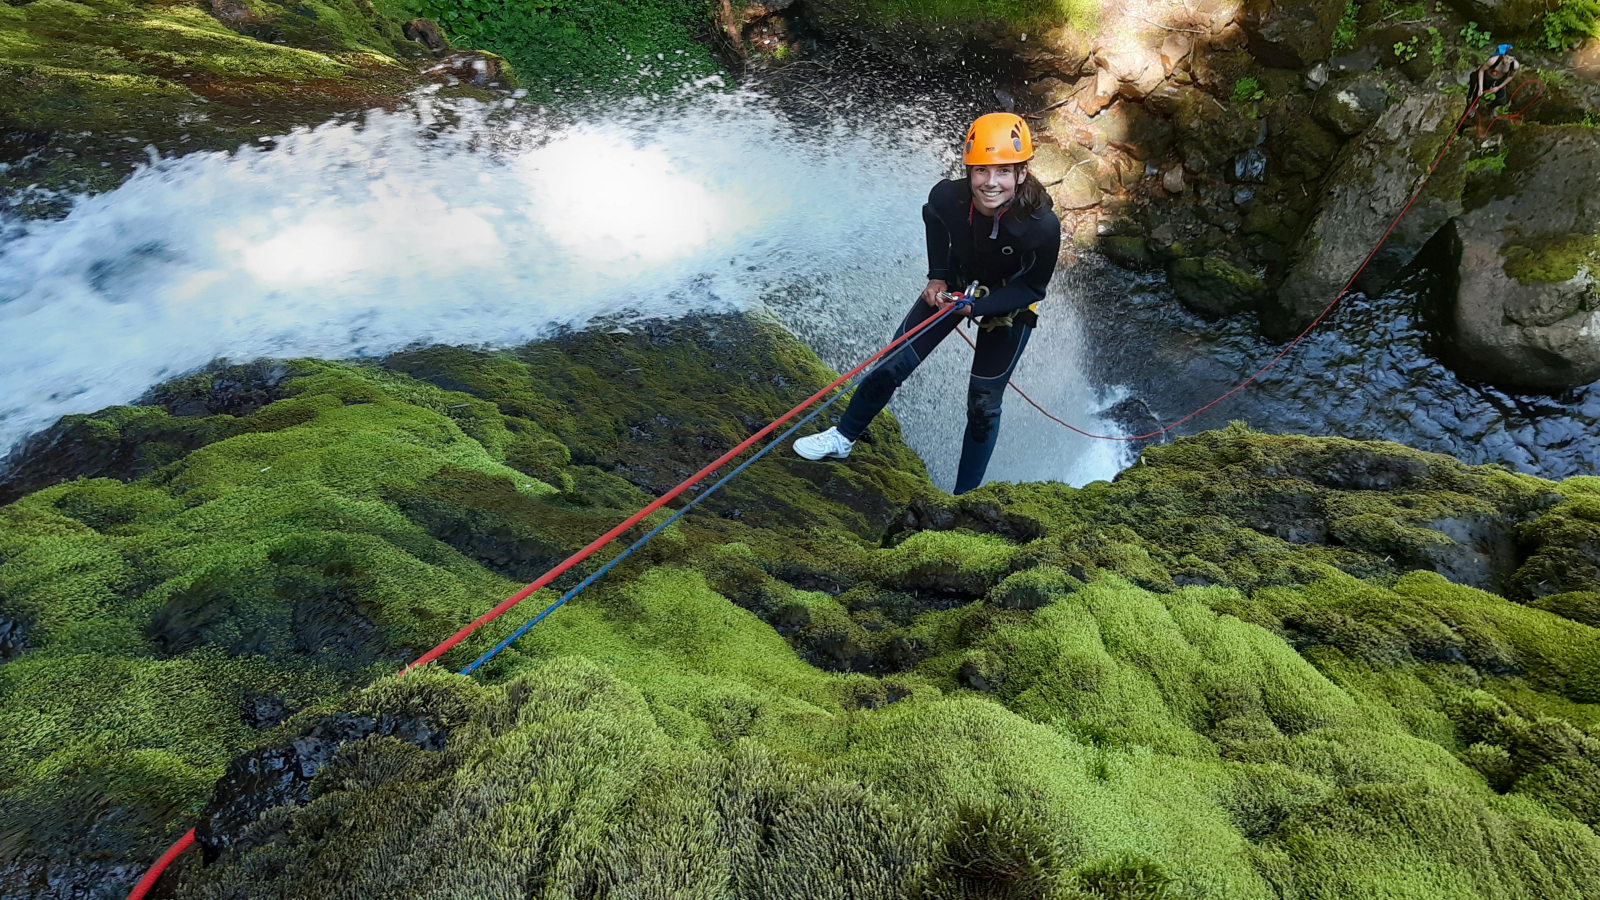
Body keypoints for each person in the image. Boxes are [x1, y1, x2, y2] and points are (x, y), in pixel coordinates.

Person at [793, 112, 1061, 494]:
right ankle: (842, 437)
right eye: (981, 170)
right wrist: (937, 275)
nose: (990, 182)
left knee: (983, 403)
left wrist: (979, 308)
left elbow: (1033, 289)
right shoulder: (947, 197)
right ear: (968, 171)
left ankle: (963, 498)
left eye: (1003, 171)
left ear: (1021, 173)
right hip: (955, 284)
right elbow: (932, 218)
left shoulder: (1041, 225)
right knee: (892, 362)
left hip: (1008, 304)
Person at [1469, 44, 1519, 110]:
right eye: (1507, 58)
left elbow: (1510, 76)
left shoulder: (1514, 65)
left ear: (1514, 59)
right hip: (1486, 77)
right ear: (1503, 55)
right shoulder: (1493, 60)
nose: (1508, 61)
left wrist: (1499, 87)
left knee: (1502, 100)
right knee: (1476, 94)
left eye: (1511, 60)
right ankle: (1473, 106)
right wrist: (1480, 87)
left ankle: (1490, 106)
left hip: (1498, 80)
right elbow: (1481, 70)